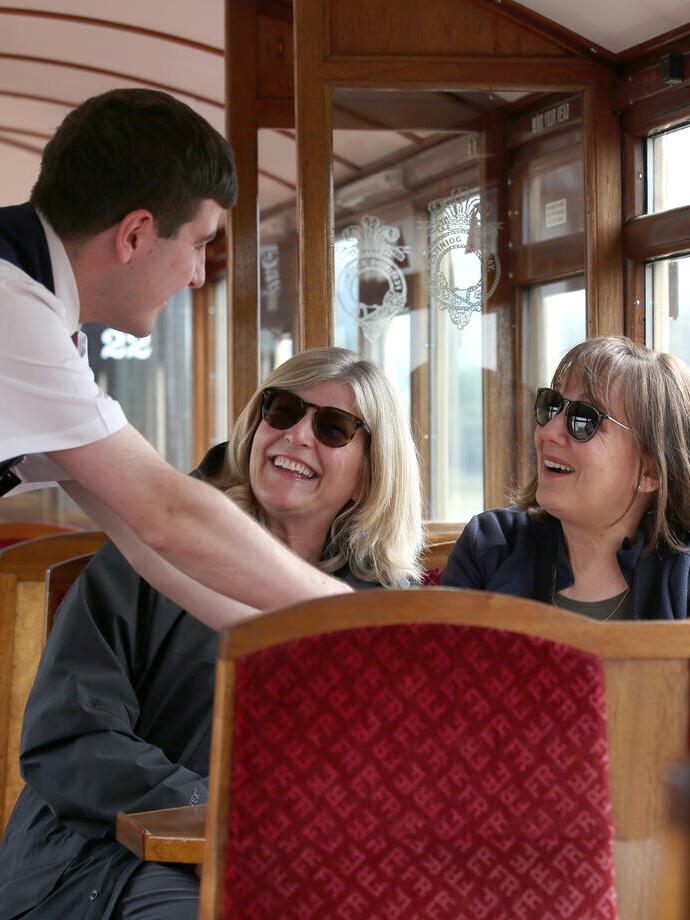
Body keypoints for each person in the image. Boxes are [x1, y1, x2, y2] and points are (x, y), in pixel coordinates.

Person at [0, 347, 423, 920]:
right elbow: (68, 738)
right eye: (282, 411)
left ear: (369, 473)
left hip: (297, 868)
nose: (297, 436)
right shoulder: (148, 553)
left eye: (332, 427)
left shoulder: (385, 610)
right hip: (104, 861)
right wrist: (215, 812)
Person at [0, 88, 352, 628]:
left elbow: (147, 545)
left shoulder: (43, 316)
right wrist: (373, 618)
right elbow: (168, 515)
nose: (196, 275)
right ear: (136, 234)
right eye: (198, 244)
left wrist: (315, 643)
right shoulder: (11, 305)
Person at [442, 336, 690, 620]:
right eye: (552, 405)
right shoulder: (490, 547)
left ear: (651, 471)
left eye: (584, 419)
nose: (546, 432)